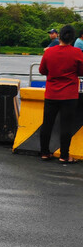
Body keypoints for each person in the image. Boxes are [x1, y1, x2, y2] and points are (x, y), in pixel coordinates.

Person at [39, 25, 83, 163]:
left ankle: (45, 153)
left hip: (51, 93)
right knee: (66, 125)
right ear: (72, 38)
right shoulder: (77, 52)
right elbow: (81, 72)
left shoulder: (49, 52)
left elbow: (42, 70)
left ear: (59, 36)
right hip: (69, 95)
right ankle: (64, 156)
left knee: (47, 124)